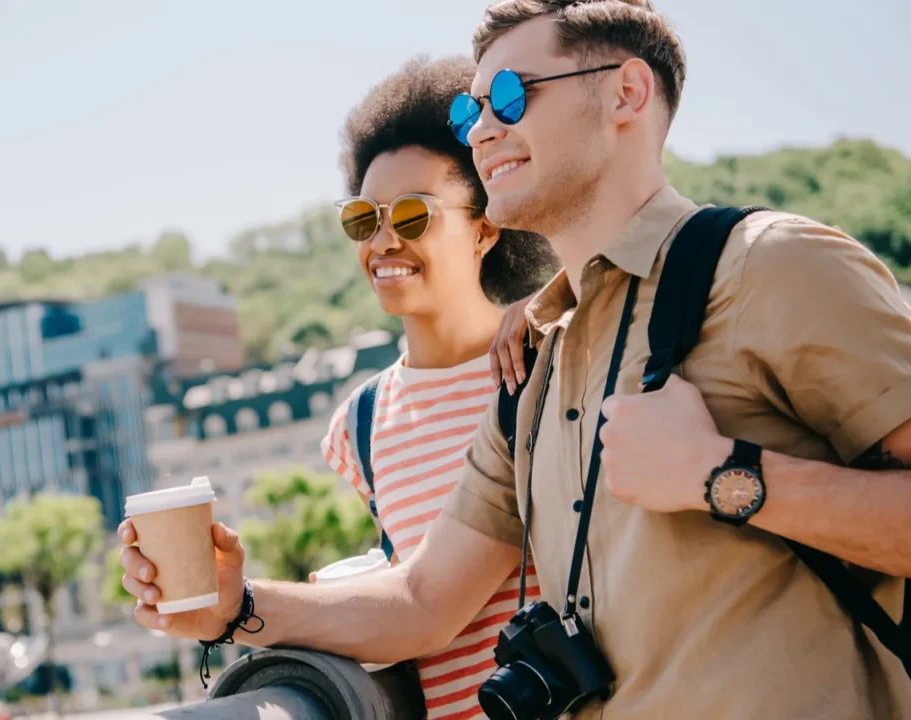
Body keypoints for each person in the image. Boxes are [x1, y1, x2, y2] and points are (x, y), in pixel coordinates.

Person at [120, 2, 911, 718]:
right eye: (472, 109)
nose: (479, 130)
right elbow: (426, 601)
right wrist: (235, 607)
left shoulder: (771, 265)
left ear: (626, 94)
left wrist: (720, 476)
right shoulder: (532, 364)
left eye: (509, 98)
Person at [318, 55, 558, 719]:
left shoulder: (550, 359)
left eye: (414, 216)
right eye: (364, 219)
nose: (384, 241)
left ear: (485, 227)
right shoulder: (357, 425)